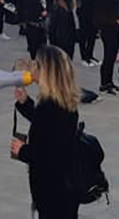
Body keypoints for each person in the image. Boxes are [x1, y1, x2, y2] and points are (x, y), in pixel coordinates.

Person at [11, 46, 81, 219]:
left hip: (52, 188)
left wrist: (23, 151)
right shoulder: (63, 103)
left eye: (36, 65)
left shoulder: (48, 107)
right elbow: (48, 129)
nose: (32, 68)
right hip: (65, 187)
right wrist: (25, 103)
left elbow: (47, 154)